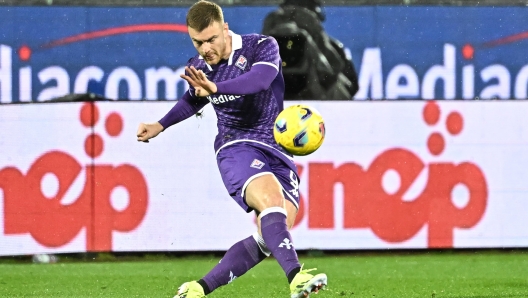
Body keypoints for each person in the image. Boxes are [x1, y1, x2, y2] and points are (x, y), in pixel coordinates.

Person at [136, 1, 328, 297]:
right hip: (236, 146)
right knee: (271, 199)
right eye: (197, 42)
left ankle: (197, 289)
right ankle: (297, 278)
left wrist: (216, 89)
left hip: (276, 148)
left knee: (268, 237)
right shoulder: (200, 67)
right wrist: (160, 125)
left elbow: (260, 80)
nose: (205, 48)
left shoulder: (260, 47)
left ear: (225, 29)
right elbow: (192, 99)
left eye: (211, 39)